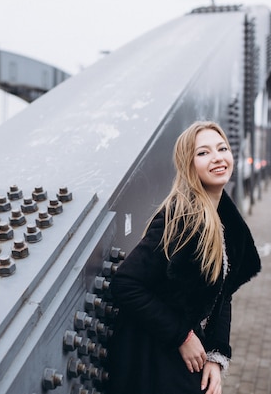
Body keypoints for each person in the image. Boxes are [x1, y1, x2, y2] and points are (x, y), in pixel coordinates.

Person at [107, 121, 261, 394]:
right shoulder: (181, 218)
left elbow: (222, 294)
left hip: (184, 353)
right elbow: (125, 284)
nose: (217, 158)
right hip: (152, 358)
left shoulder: (225, 219)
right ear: (188, 165)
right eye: (203, 153)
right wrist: (182, 336)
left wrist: (216, 356)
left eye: (222, 148)